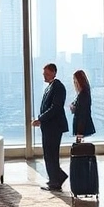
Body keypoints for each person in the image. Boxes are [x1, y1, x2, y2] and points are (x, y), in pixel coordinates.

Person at [32, 63, 69, 191]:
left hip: (54, 127)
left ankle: (55, 181)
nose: (44, 76)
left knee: (51, 154)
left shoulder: (58, 87)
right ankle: (56, 177)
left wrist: (41, 118)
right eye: (43, 74)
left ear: (54, 72)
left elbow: (55, 108)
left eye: (46, 74)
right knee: (48, 154)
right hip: (48, 127)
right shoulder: (50, 87)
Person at [70, 70, 96, 142]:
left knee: (80, 149)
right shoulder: (82, 94)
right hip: (81, 126)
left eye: (75, 80)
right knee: (80, 148)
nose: (74, 82)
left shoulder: (83, 94)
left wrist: (80, 132)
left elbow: (83, 113)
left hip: (82, 126)